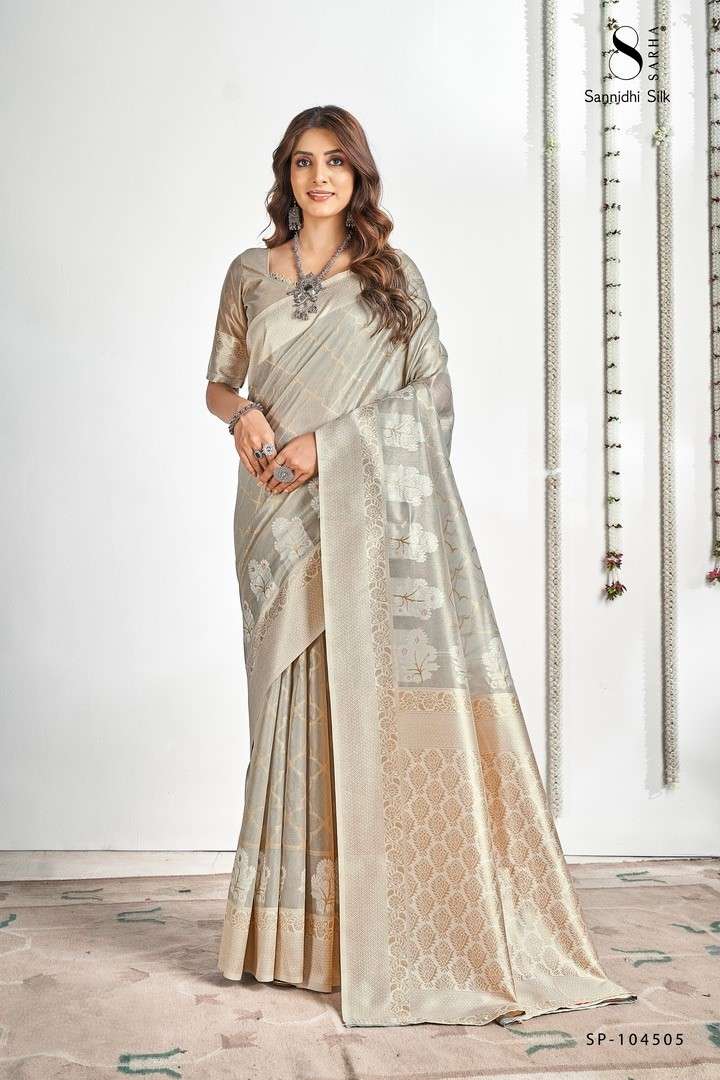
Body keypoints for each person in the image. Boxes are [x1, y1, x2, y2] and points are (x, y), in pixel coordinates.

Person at [204, 104, 637, 1028]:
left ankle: (381, 927)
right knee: (285, 711)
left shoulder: (394, 277)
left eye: (336, 161)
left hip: (356, 513)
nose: (320, 177)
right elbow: (219, 380)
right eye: (303, 162)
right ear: (285, 175)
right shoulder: (248, 273)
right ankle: (291, 939)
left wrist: (329, 447)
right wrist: (240, 413)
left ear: (359, 175)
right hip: (273, 512)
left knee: (367, 704)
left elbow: (431, 400)